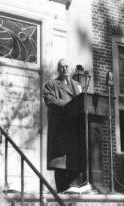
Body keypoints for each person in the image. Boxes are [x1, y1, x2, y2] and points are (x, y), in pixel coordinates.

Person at [43, 58, 83, 193]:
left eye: (67, 66)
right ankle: (61, 193)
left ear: (71, 69)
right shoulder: (51, 85)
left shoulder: (78, 85)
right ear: (58, 70)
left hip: (75, 130)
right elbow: (50, 101)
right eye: (62, 67)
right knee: (60, 163)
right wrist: (68, 105)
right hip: (61, 131)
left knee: (74, 162)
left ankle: (72, 191)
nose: (65, 68)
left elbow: (82, 101)